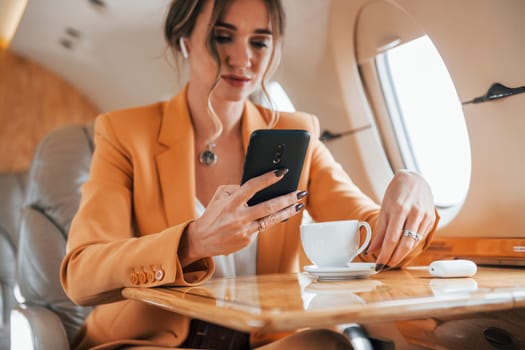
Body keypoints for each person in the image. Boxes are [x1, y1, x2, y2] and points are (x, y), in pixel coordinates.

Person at [60, 0, 439, 349]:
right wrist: (192, 242)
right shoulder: (126, 133)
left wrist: (412, 185)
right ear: (184, 39)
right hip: (150, 341)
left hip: (260, 341)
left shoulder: (296, 137)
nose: (242, 58)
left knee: (328, 344)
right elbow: (81, 274)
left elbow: (372, 235)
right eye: (222, 37)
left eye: (259, 42)